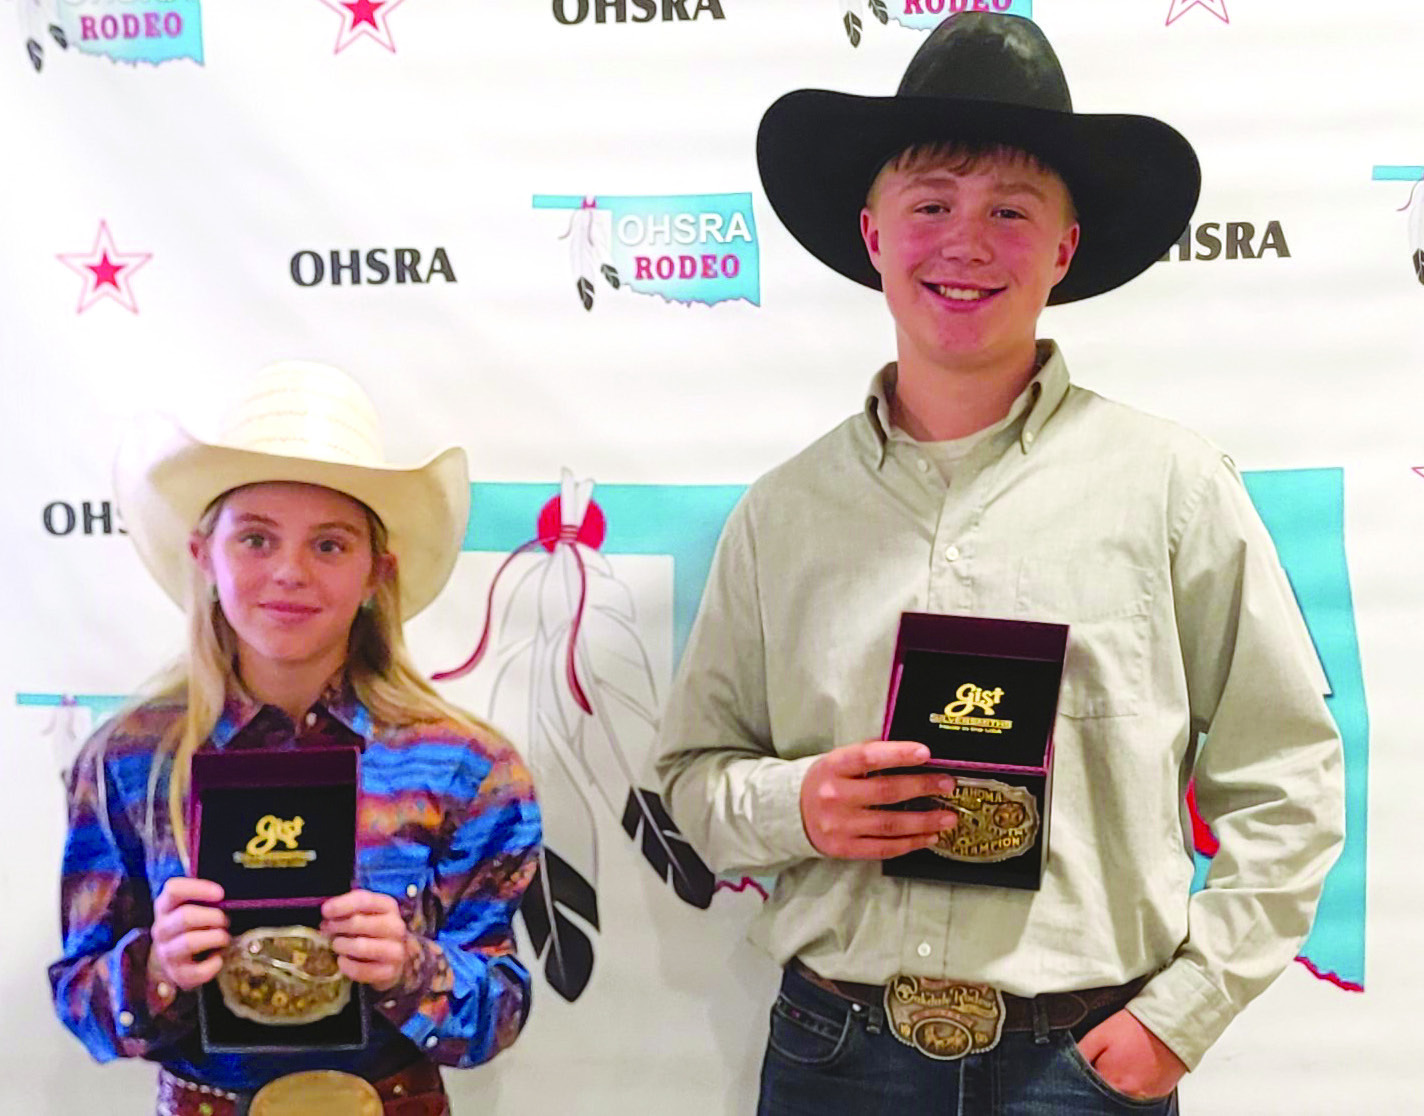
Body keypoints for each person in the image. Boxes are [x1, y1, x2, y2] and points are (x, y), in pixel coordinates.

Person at [655, 13, 1344, 1114]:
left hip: (1078, 1065)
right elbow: (689, 779)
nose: (964, 242)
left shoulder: (1172, 486)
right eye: (929, 204)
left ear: (1063, 251)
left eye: (1010, 212)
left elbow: (1285, 777)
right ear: (873, 235)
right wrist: (799, 805)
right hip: (838, 1054)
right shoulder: (780, 515)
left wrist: (1184, 1013)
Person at [50, 362, 541, 1116]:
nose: (288, 573)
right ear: (202, 555)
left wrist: (410, 968)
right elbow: (80, 1000)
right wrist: (156, 966)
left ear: (379, 570)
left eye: (330, 545)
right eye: (255, 538)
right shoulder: (128, 762)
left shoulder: (467, 768)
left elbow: (500, 1011)